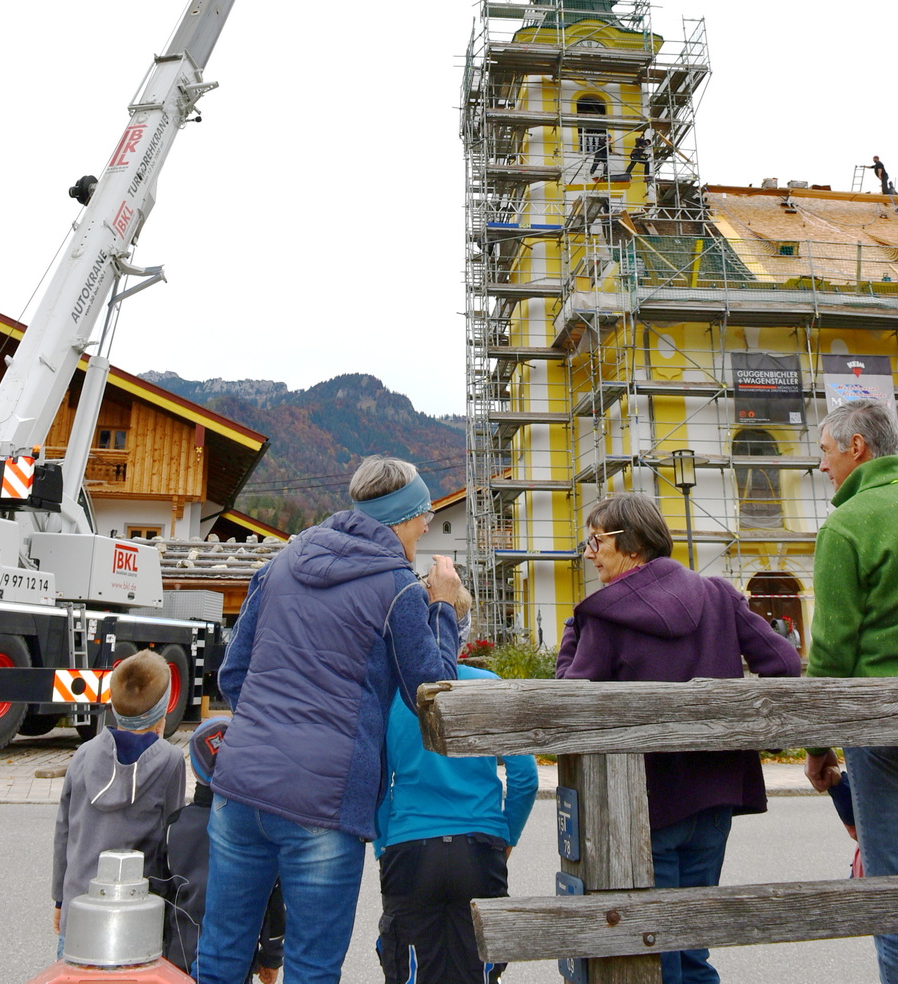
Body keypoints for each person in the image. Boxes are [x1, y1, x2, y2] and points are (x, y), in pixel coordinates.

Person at [196, 456, 462, 984]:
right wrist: (444, 608)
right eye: (424, 515)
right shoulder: (399, 587)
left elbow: (233, 674)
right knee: (312, 968)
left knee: (221, 954)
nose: (427, 525)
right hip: (325, 802)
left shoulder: (281, 563)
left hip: (240, 787)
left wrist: (269, 731)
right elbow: (433, 698)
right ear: (402, 517)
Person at [557, 493, 800, 984]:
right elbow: (785, 663)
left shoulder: (604, 615)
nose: (589, 553)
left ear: (631, 544)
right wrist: (749, 731)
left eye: (596, 541)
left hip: (644, 802)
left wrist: (573, 630)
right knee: (691, 947)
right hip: (715, 794)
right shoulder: (718, 595)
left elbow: (570, 703)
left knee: (656, 952)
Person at [374, 586, 538, 984]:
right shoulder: (490, 686)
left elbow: (378, 781)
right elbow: (525, 777)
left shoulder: (395, 693)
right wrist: (505, 835)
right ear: (462, 630)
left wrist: (383, 844)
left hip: (410, 844)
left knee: (410, 966)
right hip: (478, 842)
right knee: (478, 964)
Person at [804, 398, 898, 983]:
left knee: (890, 891)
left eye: (825, 452)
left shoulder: (848, 524)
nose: (822, 466)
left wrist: (817, 746)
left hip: (880, 727)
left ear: (856, 447)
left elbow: (832, 652)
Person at [51, 650, 185, 952]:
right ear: (162, 711)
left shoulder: (84, 753)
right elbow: (171, 839)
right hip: (136, 915)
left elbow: (64, 832)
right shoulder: (170, 761)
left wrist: (60, 899)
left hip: (79, 906)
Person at [164, 716, 283, 982]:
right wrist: (271, 956)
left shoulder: (175, 827)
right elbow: (273, 898)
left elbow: (159, 892)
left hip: (177, 959)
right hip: (237, 959)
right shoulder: (257, 830)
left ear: (194, 769)